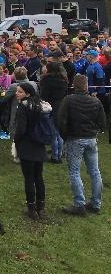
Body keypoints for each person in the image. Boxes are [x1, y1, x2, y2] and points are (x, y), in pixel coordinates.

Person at [57, 74, 106, 215]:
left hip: (75, 139)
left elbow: (61, 121)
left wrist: (65, 136)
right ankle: (96, 203)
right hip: (91, 139)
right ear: (87, 86)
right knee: (95, 172)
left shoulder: (68, 100)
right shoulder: (95, 101)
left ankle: (79, 204)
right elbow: (102, 123)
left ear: (74, 85)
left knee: (74, 172)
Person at [14, 82, 49, 220]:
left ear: (27, 94)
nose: (17, 93)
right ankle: (40, 207)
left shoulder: (23, 107)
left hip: (27, 144)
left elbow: (21, 129)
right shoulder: (40, 106)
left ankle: (32, 208)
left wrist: (16, 140)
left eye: (20, 92)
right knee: (38, 177)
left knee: (29, 178)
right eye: (17, 91)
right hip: (39, 143)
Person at [39, 62, 68, 163]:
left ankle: (55, 156)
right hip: (61, 106)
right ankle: (59, 154)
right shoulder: (64, 80)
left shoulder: (46, 80)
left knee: (53, 133)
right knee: (58, 132)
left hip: (50, 106)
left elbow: (43, 95)